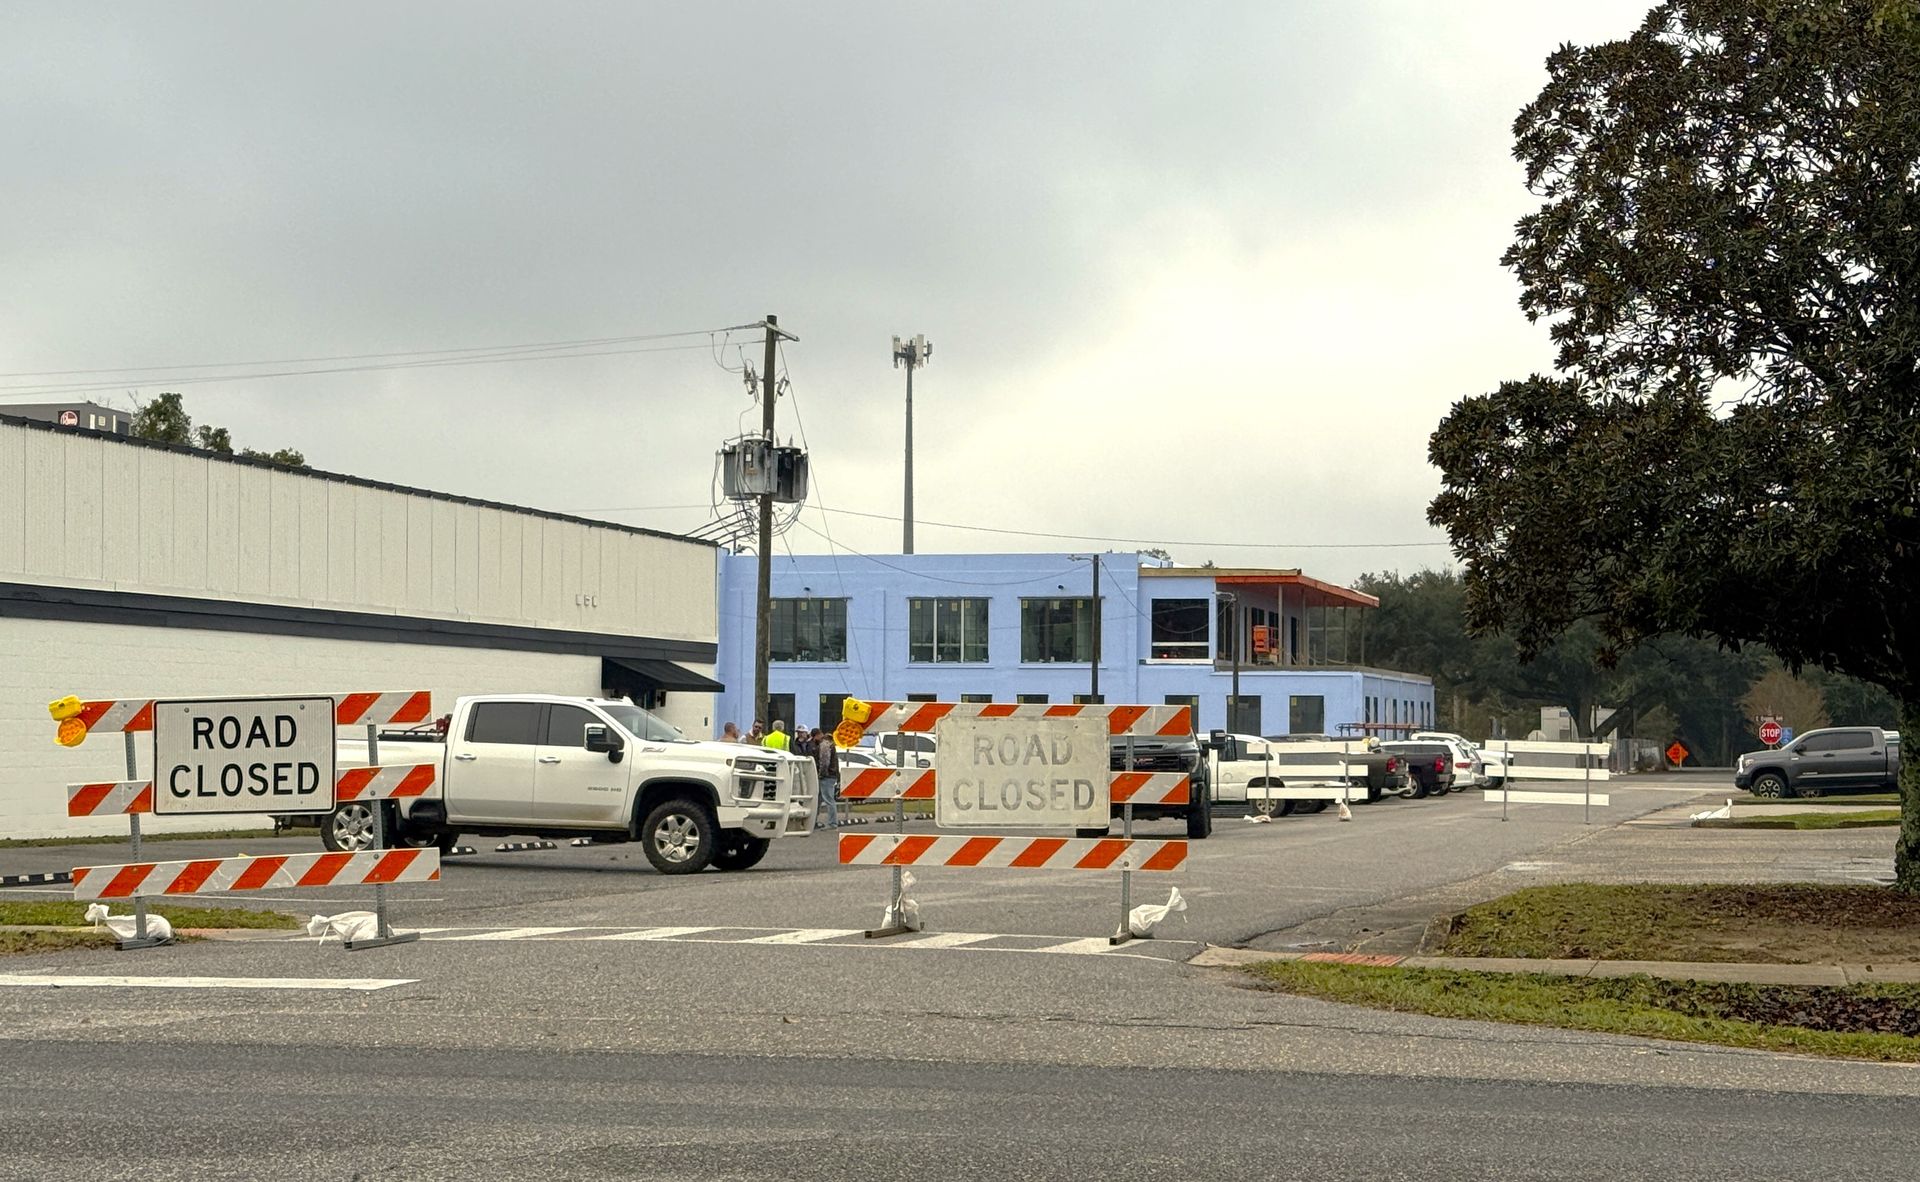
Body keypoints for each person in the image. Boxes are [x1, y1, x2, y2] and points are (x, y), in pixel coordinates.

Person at [812, 728, 841, 829]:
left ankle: (832, 823)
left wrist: (821, 774)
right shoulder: (830, 743)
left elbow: (824, 762)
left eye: (814, 737)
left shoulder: (824, 744)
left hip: (827, 776)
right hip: (831, 775)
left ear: (817, 735)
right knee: (820, 799)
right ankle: (813, 822)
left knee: (828, 800)